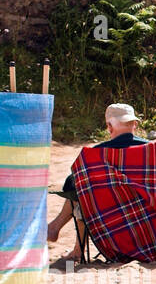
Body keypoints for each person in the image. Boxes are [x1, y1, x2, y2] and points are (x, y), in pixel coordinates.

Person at [48, 103, 149, 261]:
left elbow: (71, 182)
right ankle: (55, 228)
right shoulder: (151, 150)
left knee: (80, 195)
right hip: (148, 219)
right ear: (135, 124)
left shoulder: (97, 155)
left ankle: (75, 249)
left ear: (109, 126)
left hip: (110, 220)